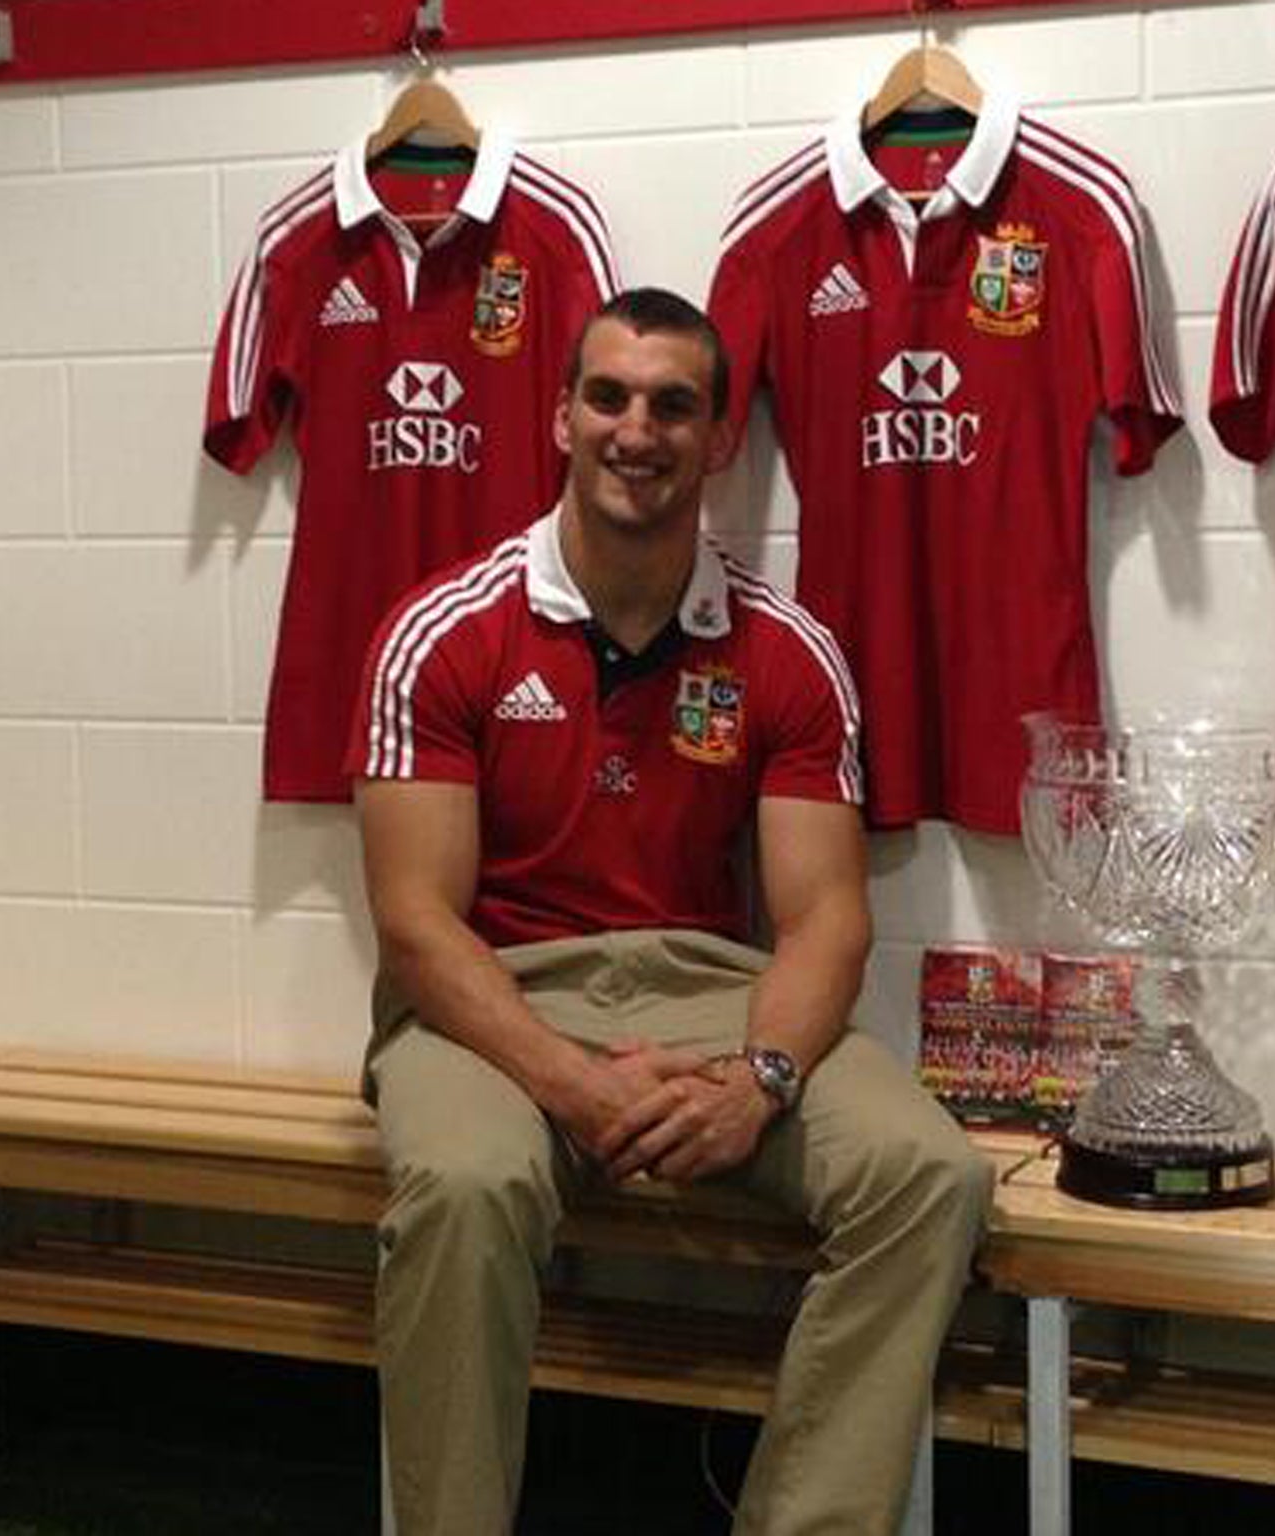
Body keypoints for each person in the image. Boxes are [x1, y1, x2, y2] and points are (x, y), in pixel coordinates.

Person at [348, 286, 994, 1536]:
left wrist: (758, 1077)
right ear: (560, 416)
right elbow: (419, 926)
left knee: (928, 1175)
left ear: (719, 438)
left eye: (673, 405)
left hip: (711, 997)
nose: (635, 430)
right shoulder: (442, 634)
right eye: (608, 397)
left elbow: (825, 923)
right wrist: (572, 1086)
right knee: (467, 1188)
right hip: (492, 1001)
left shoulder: (787, 648)